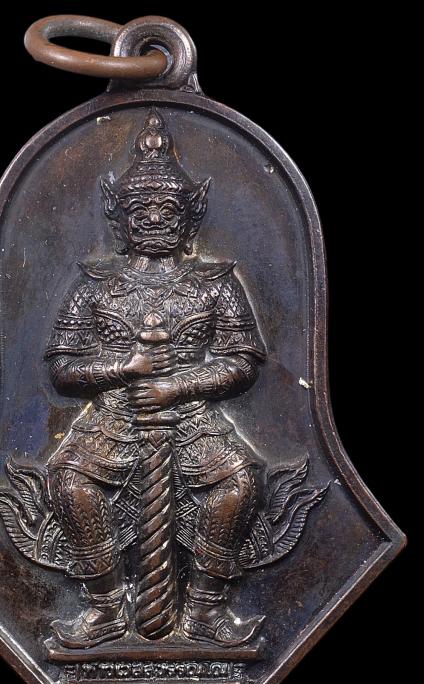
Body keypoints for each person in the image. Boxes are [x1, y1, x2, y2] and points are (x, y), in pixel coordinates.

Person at [45, 109, 266, 648]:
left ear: (189, 217)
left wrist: (177, 386)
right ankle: (104, 606)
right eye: (139, 209)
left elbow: (241, 363)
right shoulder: (95, 285)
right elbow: (63, 370)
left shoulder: (215, 283)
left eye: (167, 209)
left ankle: (205, 608)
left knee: (239, 483)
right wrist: (124, 369)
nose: (152, 219)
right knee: (70, 482)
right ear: (119, 217)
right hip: (115, 415)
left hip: (190, 414)